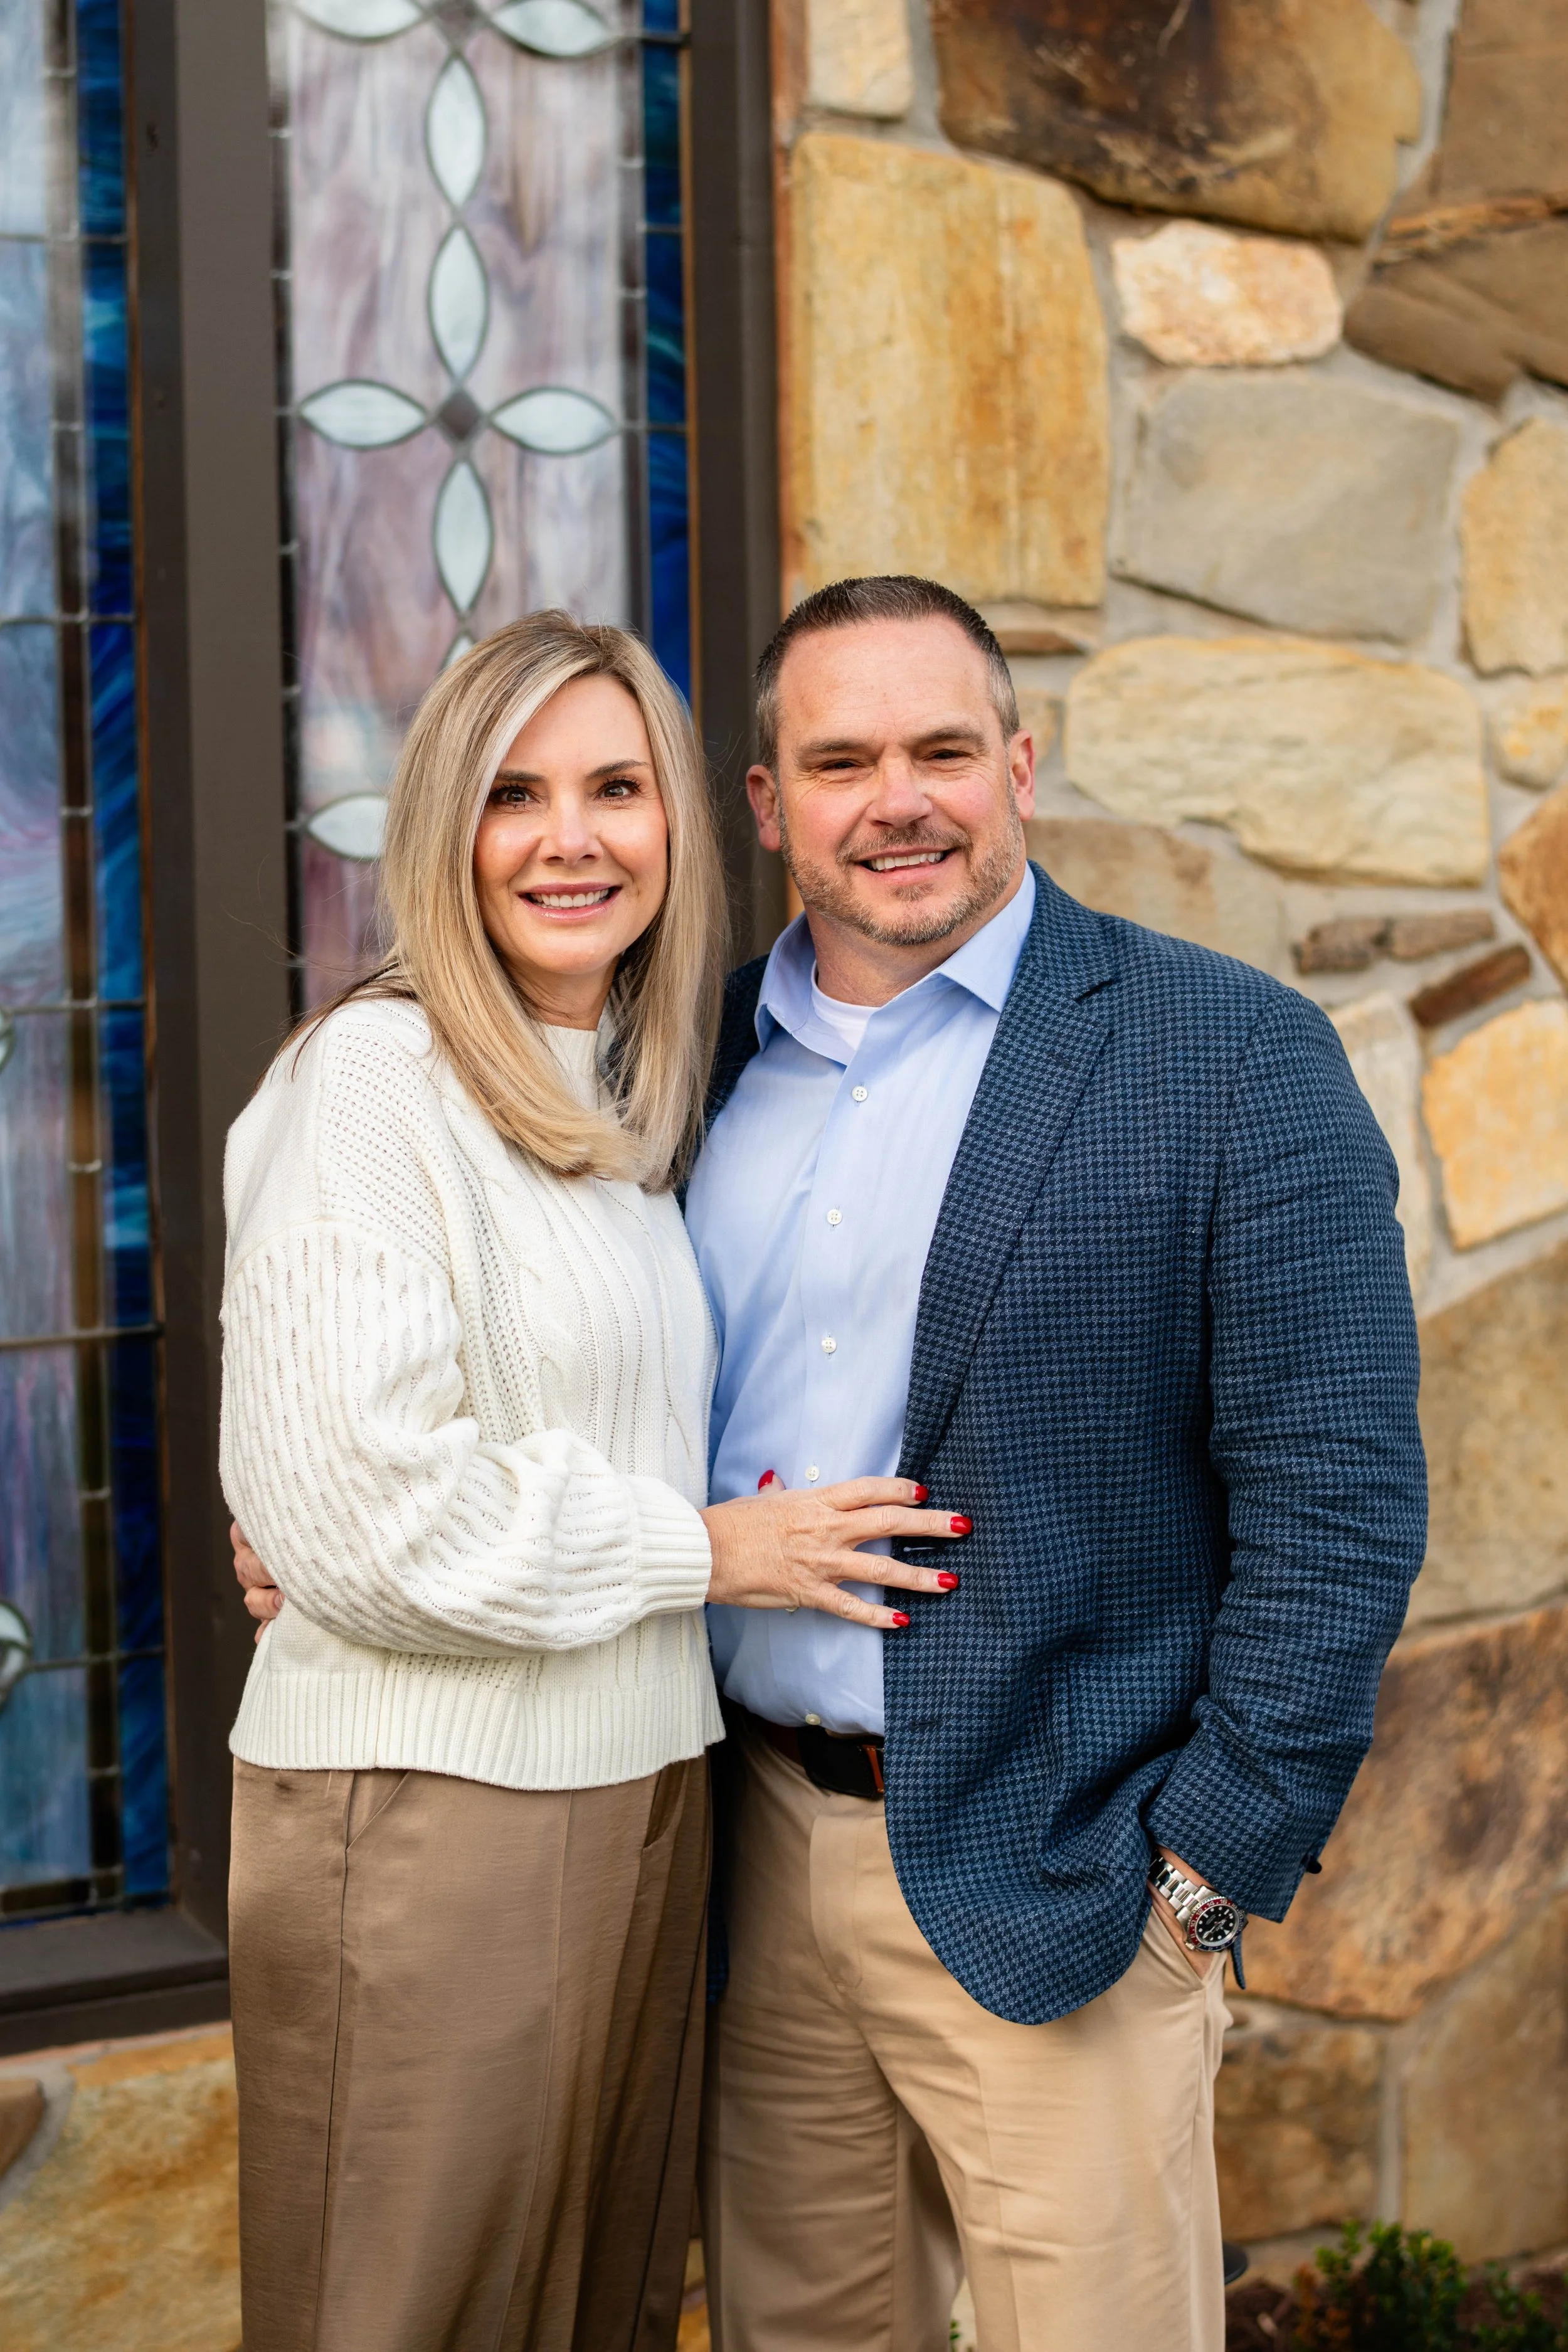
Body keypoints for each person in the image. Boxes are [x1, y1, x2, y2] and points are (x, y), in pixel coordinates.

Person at [685, 576, 1426, 2352]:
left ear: (1018, 763)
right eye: (842, 758)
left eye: (943, 747)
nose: (900, 799)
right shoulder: (690, 1052)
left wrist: (1204, 1869)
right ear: (768, 799)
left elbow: (1335, 1499)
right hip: (749, 1843)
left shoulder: (1227, 1052)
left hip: (1070, 1871)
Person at [220, 610, 965, 2352]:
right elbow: (369, 1515)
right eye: (516, 794)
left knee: (596, 2312)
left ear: (681, 824)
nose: (573, 837)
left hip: (639, 1789)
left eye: (617, 788)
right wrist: (705, 1552)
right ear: (443, 831)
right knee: (401, 2314)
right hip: (429, 1813)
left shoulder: (630, 1100)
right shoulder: (375, 1083)